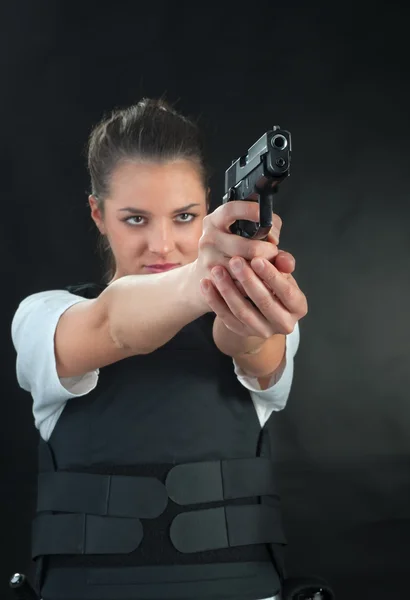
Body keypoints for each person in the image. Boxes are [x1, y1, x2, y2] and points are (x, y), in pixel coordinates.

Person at [11, 98, 307, 600]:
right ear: (97, 214)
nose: (162, 245)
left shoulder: (251, 313)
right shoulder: (45, 317)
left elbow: (248, 341)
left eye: (185, 216)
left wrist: (243, 282)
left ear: (210, 209)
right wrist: (203, 278)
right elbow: (115, 325)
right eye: (135, 220)